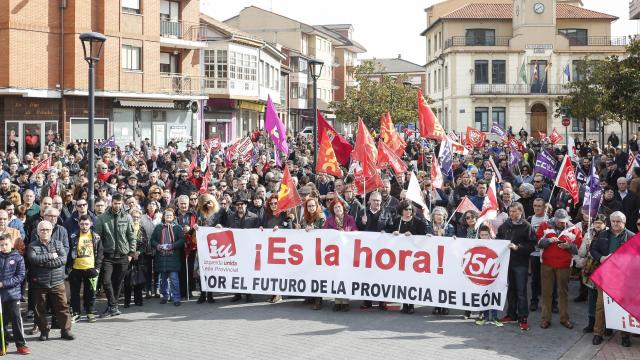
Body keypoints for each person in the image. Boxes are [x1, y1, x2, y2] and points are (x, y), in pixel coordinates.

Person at [591, 211, 635, 347]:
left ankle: (625, 336)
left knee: (623, 307)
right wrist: (601, 258)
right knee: (600, 306)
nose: (615, 224)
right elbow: (593, 250)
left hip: (623, 279)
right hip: (605, 275)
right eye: (613, 221)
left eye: (618, 221)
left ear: (624, 222)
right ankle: (598, 333)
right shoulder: (603, 234)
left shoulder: (632, 237)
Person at [27, 220, 74, 341]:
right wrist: (52, 256)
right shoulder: (32, 246)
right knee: (39, 309)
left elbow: (63, 260)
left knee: (63, 307)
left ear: (51, 231)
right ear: (38, 232)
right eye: (42, 230)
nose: (45, 232)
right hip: (39, 283)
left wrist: (44, 263)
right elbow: (34, 260)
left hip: (58, 282)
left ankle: (66, 331)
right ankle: (44, 331)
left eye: (47, 229)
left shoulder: (58, 244)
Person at [537, 209, 582, 330]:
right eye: (559, 222)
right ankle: (545, 319)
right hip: (547, 263)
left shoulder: (574, 229)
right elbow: (538, 242)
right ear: (554, 219)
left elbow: (578, 248)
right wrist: (547, 241)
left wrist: (568, 246)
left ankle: (564, 318)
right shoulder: (544, 225)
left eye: (563, 222)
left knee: (563, 292)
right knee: (546, 292)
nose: (561, 224)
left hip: (565, 264)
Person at [95, 193, 136, 318]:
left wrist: (131, 254)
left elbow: (131, 236)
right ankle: (113, 306)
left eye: (119, 203)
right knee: (106, 282)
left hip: (123, 256)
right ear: (111, 203)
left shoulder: (127, 217)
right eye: (115, 203)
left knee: (117, 283)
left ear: (122, 203)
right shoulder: (102, 218)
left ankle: (112, 306)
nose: (117, 205)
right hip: (108, 256)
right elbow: (98, 238)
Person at [497, 202, 535, 331]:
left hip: (520, 264)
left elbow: (531, 246)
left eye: (514, 211)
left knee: (521, 292)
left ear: (520, 211)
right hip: (507, 263)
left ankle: (523, 318)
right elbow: (498, 239)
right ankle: (511, 314)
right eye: (510, 211)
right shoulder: (505, 225)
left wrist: (518, 247)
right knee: (510, 290)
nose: (511, 214)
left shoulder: (526, 226)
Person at [392, 200, 427, 314]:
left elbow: (424, 235)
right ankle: (404, 304)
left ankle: (411, 305)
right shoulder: (397, 221)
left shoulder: (418, 221)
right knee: (402, 281)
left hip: (414, 257)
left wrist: (413, 236)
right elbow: (388, 232)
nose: (408, 212)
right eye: (406, 209)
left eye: (410, 209)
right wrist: (393, 233)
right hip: (400, 256)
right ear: (401, 211)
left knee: (411, 281)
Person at [67, 214, 103, 323]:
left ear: (91, 224)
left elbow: (100, 253)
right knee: (74, 292)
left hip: (91, 269)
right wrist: (69, 268)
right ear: (78, 224)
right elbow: (68, 252)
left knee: (91, 292)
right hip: (75, 269)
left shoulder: (96, 237)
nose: (84, 226)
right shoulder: (73, 236)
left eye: (86, 224)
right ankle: (76, 313)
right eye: (82, 224)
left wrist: (97, 268)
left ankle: (90, 312)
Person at [323, 199, 357, 312]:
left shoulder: (350, 219)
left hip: (347, 252)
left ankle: (346, 301)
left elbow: (355, 232)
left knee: (345, 276)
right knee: (336, 277)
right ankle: (337, 301)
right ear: (333, 210)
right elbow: (324, 234)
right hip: (334, 253)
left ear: (343, 207)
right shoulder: (329, 221)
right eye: (335, 207)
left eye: (339, 207)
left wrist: (345, 234)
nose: (338, 209)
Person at [0, 234, 30, 354]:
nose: (4, 247)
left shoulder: (18, 258)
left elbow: (20, 276)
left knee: (16, 320)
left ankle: (21, 345)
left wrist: (3, 284)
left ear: (11, 244)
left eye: (6, 244)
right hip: (0, 296)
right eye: (1, 245)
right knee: (2, 322)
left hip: (12, 295)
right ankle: (3, 345)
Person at [151, 207, 185, 306]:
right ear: (164, 217)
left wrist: (172, 246)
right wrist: (158, 246)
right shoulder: (158, 227)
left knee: (174, 279)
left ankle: (176, 298)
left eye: (170, 215)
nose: (168, 216)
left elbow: (182, 240)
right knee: (163, 280)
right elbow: (152, 240)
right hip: (161, 257)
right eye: (167, 215)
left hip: (173, 257)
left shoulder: (177, 227)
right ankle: (165, 296)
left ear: (173, 216)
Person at [298, 197, 325, 309]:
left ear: (317, 206)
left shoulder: (321, 217)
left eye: (313, 205)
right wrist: (299, 228)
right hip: (307, 250)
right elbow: (302, 229)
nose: (311, 208)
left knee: (317, 274)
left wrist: (314, 228)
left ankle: (318, 299)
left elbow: (324, 230)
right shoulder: (304, 217)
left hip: (318, 250)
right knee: (308, 273)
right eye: (309, 206)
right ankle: (310, 296)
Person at [474, 225, 503, 327]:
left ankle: (494, 317)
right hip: (482, 273)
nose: (484, 237)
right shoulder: (476, 243)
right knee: (484, 295)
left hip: (493, 274)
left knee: (494, 295)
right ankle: (486, 317)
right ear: (479, 235)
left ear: (489, 234)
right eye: (482, 235)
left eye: (486, 235)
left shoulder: (496, 244)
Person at [123, 209, 146, 308]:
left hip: (139, 258)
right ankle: (127, 301)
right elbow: (123, 242)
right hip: (128, 257)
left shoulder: (142, 229)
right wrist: (130, 253)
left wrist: (139, 252)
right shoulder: (126, 227)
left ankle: (138, 300)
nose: (136, 218)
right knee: (127, 280)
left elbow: (145, 243)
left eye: (137, 217)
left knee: (138, 280)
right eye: (134, 217)